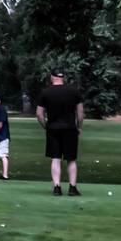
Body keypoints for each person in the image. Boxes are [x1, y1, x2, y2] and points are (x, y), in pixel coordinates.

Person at [36, 68, 84, 196]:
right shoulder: (74, 92)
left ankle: (57, 187)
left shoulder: (45, 92)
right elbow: (80, 112)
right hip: (70, 128)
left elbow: (39, 114)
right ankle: (72, 187)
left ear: (52, 77)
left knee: (55, 158)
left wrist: (45, 126)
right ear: (63, 77)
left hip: (53, 128)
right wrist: (79, 126)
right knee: (71, 159)